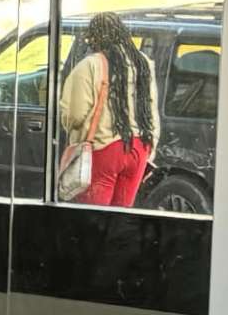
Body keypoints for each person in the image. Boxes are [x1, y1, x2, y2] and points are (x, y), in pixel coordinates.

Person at [56, 12, 159, 208]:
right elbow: (151, 108)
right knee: (120, 218)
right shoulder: (143, 63)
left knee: (95, 219)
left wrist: (67, 124)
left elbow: (75, 115)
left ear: (94, 36)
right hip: (139, 148)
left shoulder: (90, 65)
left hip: (104, 148)